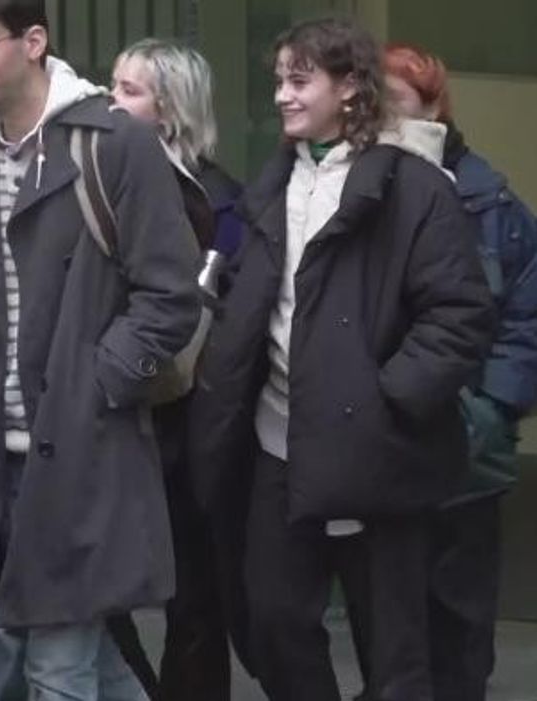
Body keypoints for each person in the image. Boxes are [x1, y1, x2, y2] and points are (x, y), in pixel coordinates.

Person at [188, 17, 495, 701]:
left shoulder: (415, 191)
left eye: (299, 80)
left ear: (350, 86)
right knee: (271, 620)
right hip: (276, 446)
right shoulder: (271, 187)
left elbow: (461, 314)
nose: (282, 97)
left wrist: (386, 397)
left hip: (378, 452)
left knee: (393, 650)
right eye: (277, 81)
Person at [0, 1, 203, 699]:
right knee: (41, 655)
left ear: (33, 41)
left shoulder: (110, 142)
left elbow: (170, 295)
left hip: (84, 450)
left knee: (56, 664)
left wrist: (98, 383)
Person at [366, 42, 537, 701]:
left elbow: (525, 317)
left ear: (433, 106)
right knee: (389, 618)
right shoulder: (358, 187)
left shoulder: (490, 202)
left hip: (467, 444)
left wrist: (490, 410)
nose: (382, 119)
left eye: (396, 103)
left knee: (460, 617)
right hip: (382, 443)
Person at [109, 37, 249, 701]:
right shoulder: (96, 183)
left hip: (188, 412)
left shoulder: (221, 200)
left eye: (127, 91)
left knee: (194, 587)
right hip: (115, 406)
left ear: (168, 110)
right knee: (92, 586)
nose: (110, 103)